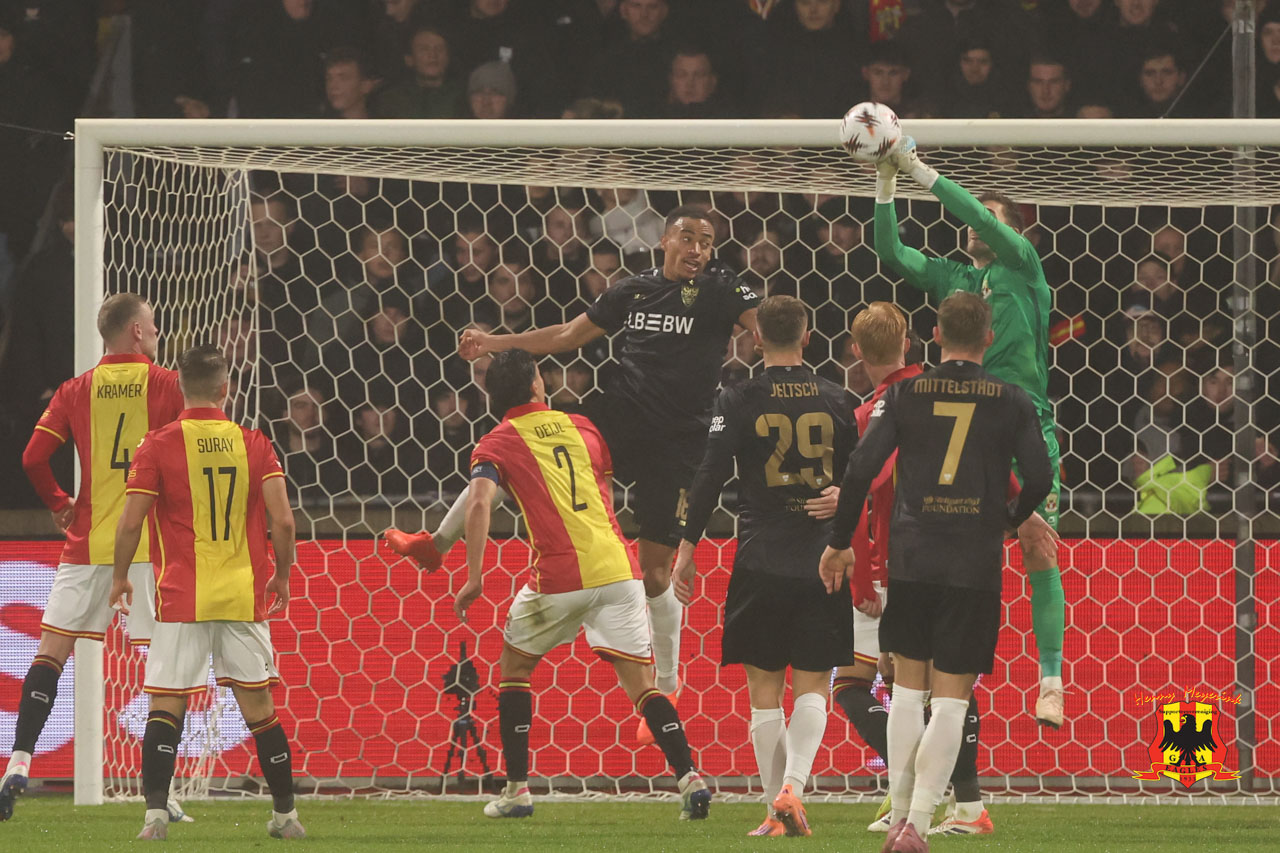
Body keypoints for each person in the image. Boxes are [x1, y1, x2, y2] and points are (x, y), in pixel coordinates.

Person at [388, 206, 760, 744]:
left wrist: (769, 341)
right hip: (620, 418)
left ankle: (668, 686)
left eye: (706, 241)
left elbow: (762, 322)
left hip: (681, 443)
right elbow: (567, 334)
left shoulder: (721, 289)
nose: (697, 249)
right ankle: (436, 543)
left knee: (656, 574)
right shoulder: (634, 291)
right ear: (665, 241)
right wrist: (494, 343)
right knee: (522, 447)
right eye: (687, 238)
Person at [818, 291, 1057, 853]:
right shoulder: (1011, 399)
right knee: (950, 699)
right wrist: (1009, 519)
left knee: (906, 693)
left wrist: (839, 542)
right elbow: (1041, 477)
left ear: (935, 335)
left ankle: (899, 815)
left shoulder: (903, 395)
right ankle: (920, 824)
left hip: (912, 557)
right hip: (973, 562)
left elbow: (861, 469)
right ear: (989, 339)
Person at [452, 349, 711, 820]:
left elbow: (478, 503)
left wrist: (474, 576)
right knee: (643, 686)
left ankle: (517, 791)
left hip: (559, 575)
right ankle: (690, 778)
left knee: (514, 670)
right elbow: (601, 492)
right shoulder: (584, 426)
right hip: (618, 568)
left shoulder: (495, 443)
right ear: (536, 386)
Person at [872, 136, 1068, 727]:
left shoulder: (1023, 268)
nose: (974, 225)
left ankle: (1051, 682)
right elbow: (891, 251)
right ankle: (924, 674)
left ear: (1014, 232)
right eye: (975, 218)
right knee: (944, 544)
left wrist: (917, 167)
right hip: (966, 424)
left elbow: (980, 216)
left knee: (1036, 543)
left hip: (1024, 420)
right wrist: (886, 181)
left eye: (990, 218)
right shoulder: (953, 278)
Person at [671, 295, 855, 838]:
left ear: (755, 339)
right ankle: (791, 791)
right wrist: (846, 499)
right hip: (823, 559)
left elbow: (709, 474)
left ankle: (774, 812)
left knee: (764, 693)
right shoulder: (838, 398)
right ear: (807, 337)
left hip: (760, 559)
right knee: (815, 685)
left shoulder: (737, 398)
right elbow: (866, 471)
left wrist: (687, 547)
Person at [810, 303, 992, 837]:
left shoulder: (881, 408)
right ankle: (958, 805)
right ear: (911, 342)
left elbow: (868, 484)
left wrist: (861, 576)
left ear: (856, 350)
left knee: (859, 683)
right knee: (943, 686)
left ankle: (917, 796)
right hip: (957, 555)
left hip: (897, 564)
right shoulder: (944, 392)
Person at [2, 294, 185, 822]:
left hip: (87, 544)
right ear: (135, 331)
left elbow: (32, 457)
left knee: (50, 654)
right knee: (163, 671)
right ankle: (160, 798)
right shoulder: (168, 385)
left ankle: (18, 761)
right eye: (153, 325)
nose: (157, 332)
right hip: (148, 548)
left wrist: (60, 503)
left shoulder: (75, 390)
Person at [109, 344, 301, 841]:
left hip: (181, 597)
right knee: (260, 710)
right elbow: (283, 521)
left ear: (180, 388)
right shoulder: (255, 443)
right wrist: (281, 575)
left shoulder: (157, 444)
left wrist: (120, 575)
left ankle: (155, 817)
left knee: (166, 705)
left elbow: (130, 522)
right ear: (225, 389)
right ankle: (286, 818)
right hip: (241, 596)